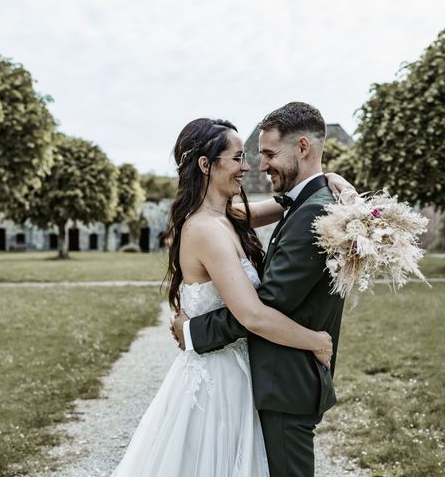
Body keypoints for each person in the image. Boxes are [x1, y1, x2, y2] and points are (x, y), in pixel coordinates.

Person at [111, 115, 351, 477]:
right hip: (217, 378)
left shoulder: (228, 216)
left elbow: (295, 205)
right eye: (238, 157)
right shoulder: (206, 229)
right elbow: (252, 314)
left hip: (241, 371)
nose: (248, 166)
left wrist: (329, 179)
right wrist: (314, 341)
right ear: (206, 164)